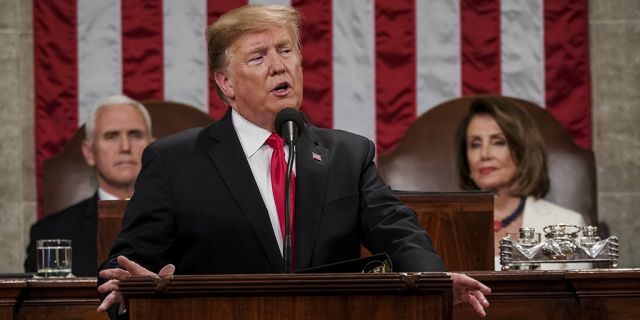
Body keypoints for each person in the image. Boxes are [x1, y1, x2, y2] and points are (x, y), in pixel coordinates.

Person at [97, 5, 490, 318]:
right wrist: (133, 289)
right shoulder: (175, 161)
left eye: (285, 51)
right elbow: (125, 264)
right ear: (226, 84)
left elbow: (397, 230)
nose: (278, 65)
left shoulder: (349, 155)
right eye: (258, 57)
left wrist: (434, 280)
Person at [24, 95, 153, 277]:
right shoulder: (49, 233)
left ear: (152, 148)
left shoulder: (186, 223)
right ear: (90, 152)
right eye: (111, 136)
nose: (125, 146)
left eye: (135, 135)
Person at [454, 97, 587, 270]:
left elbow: (583, 296)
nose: (484, 154)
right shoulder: (444, 229)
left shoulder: (570, 225)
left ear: (522, 151)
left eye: (498, 142)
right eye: (475, 144)